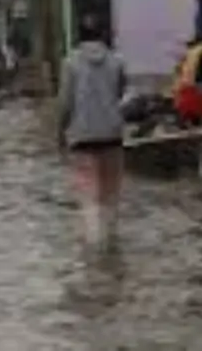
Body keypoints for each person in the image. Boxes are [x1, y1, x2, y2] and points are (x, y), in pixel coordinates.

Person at [56, 14, 127, 250]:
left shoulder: (70, 63)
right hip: (112, 135)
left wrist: (60, 131)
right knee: (111, 193)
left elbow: (65, 103)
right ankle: (112, 244)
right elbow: (119, 93)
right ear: (104, 34)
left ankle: (94, 252)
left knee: (89, 195)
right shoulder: (117, 61)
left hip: (82, 137)